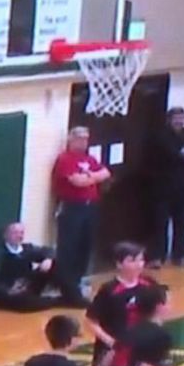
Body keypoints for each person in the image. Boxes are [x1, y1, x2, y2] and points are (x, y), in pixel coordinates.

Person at [52, 126, 111, 308]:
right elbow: (77, 182)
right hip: (72, 207)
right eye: (80, 138)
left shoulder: (89, 158)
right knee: (69, 249)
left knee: (85, 247)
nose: (83, 142)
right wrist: (93, 177)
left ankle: (77, 283)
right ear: (71, 139)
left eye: (86, 138)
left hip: (90, 207)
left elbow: (106, 173)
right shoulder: (65, 159)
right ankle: (68, 291)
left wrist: (89, 176)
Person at [85, 242, 159, 366]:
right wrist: (111, 342)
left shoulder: (149, 285)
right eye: (132, 261)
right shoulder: (109, 290)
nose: (138, 264)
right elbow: (91, 321)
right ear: (119, 264)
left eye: (141, 260)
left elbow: (157, 313)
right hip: (112, 350)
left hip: (140, 347)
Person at [146, 107, 184, 268]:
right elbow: (174, 154)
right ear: (169, 119)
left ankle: (179, 255)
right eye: (176, 118)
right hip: (164, 186)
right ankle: (158, 256)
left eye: (181, 117)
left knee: (183, 223)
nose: (179, 121)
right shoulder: (161, 135)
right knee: (161, 223)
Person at [0, 222, 65, 312]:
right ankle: (57, 301)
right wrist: (8, 290)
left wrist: (49, 259)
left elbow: (49, 251)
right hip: (10, 293)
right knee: (24, 302)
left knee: (54, 264)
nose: (19, 236)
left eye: (21, 233)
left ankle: (64, 294)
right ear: (5, 235)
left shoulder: (27, 248)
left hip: (27, 285)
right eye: (15, 233)